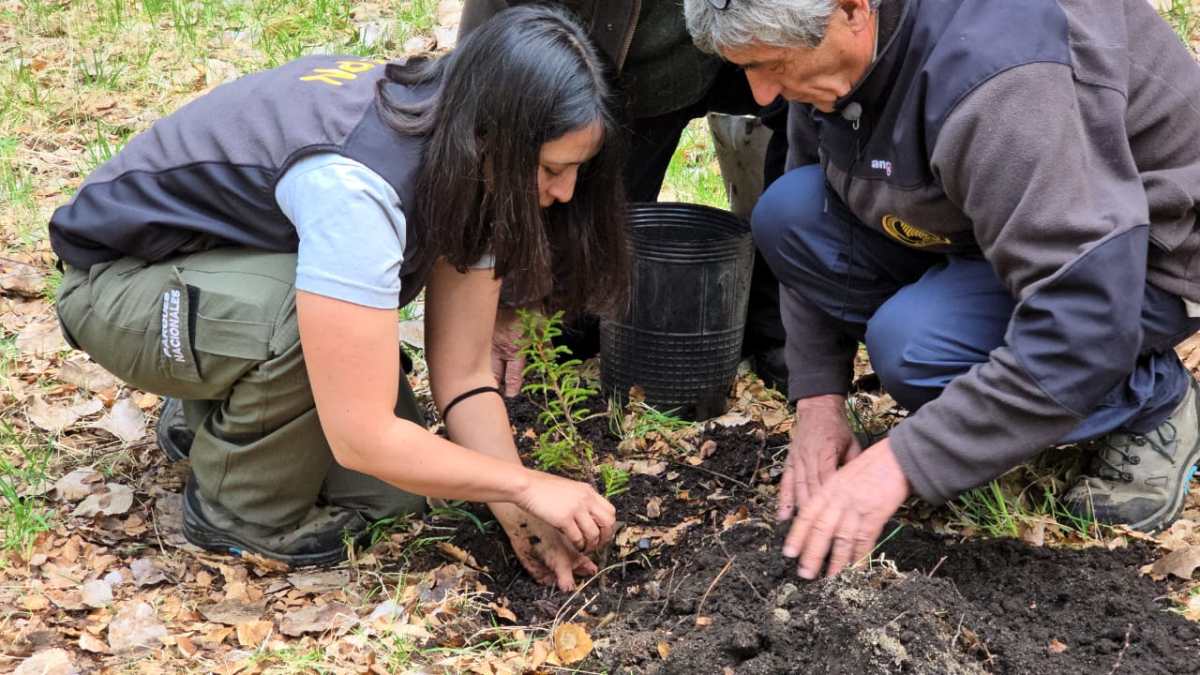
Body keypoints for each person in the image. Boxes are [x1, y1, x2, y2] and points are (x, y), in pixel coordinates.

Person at [49, 6, 627, 591]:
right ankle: (240, 513)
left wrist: (519, 511)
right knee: (303, 334)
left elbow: (465, 373)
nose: (565, 191)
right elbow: (363, 437)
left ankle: (214, 416)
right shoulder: (357, 184)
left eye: (576, 169)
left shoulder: (469, 150)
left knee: (393, 495)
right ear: (494, 137)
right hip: (117, 286)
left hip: (214, 277)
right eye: (552, 168)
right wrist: (528, 485)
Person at [683, 0, 1200, 578]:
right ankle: (995, 371)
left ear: (853, 10)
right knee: (790, 213)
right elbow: (817, 195)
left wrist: (906, 460)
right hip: (1002, 220)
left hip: (1146, 256)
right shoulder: (829, 52)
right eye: (747, 68)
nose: (761, 95)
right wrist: (817, 398)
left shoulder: (1003, 78)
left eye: (774, 65)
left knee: (915, 351)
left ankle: (1151, 398)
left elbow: (1084, 320)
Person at [459, 0, 792, 393]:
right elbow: (484, 108)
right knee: (577, 319)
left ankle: (778, 331)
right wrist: (507, 294)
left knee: (810, 121)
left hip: (752, 42)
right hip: (632, 80)